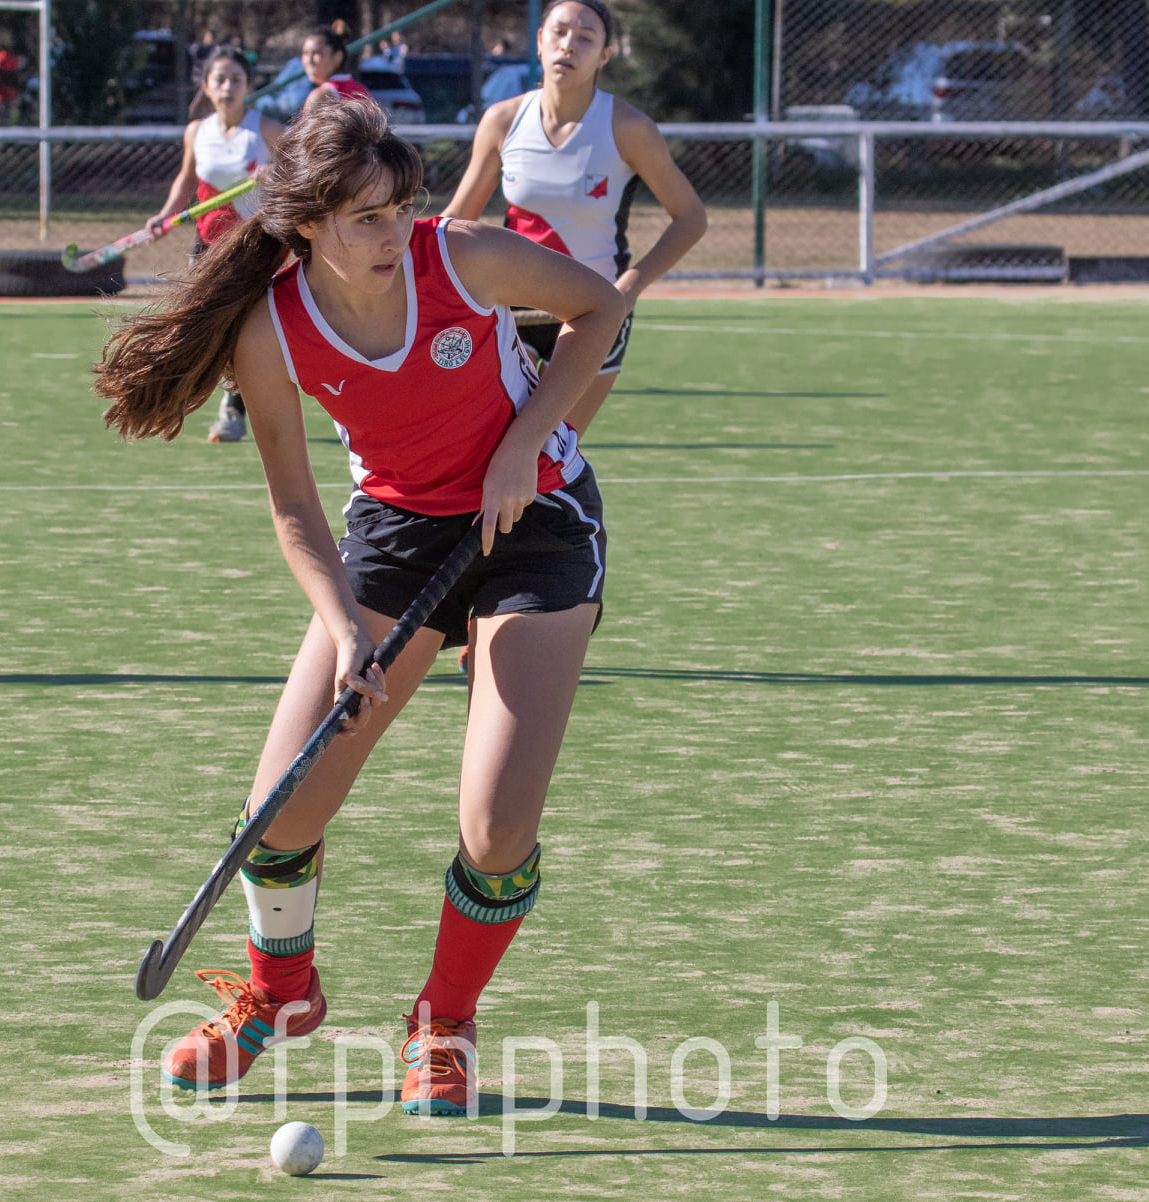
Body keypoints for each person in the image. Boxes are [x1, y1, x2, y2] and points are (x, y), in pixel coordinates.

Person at [95, 97, 626, 1116]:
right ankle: (279, 994)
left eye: (394, 210)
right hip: (391, 536)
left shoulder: (461, 256)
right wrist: (345, 629)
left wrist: (525, 441)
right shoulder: (272, 330)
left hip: (537, 518)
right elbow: (295, 507)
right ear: (305, 225)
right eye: (361, 220)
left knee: (496, 822)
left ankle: (442, 1021)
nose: (388, 236)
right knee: (279, 810)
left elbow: (599, 307)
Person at [443, 0, 705, 435]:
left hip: (595, 308)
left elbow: (691, 218)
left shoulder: (628, 127)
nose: (570, 45)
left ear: (605, 55)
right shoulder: (503, 120)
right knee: (490, 444)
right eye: (560, 32)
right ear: (540, 40)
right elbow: (456, 221)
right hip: (512, 307)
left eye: (586, 38)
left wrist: (628, 290)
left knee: (552, 455)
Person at [151, 46, 286, 443]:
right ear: (207, 86)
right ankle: (177, 396)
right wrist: (165, 214)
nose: (228, 87)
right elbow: (187, 178)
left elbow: (300, 169)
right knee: (193, 321)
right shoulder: (197, 131)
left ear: (248, 85)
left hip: (255, 244)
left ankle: (233, 409)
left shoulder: (265, 129)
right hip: (209, 242)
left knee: (243, 329)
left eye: (236, 80)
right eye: (220, 80)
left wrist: (275, 172)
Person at [300, 23, 370, 113]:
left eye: (317, 53)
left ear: (338, 57)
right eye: (305, 53)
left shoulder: (321, 96)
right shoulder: (361, 90)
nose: (309, 60)